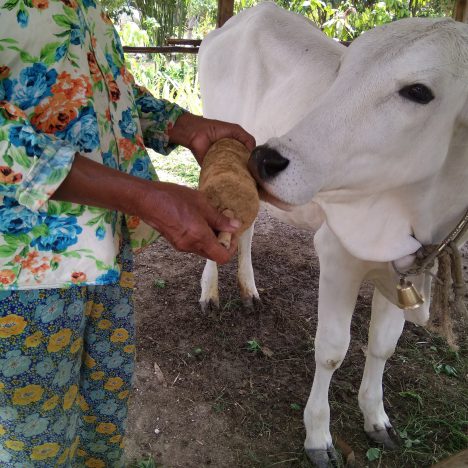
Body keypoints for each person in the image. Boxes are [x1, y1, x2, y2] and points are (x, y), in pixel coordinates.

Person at [0, 0, 255, 466]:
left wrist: (181, 125)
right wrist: (143, 196)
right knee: (36, 451)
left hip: (106, 254)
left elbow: (94, 90)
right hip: (19, 274)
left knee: (102, 428)